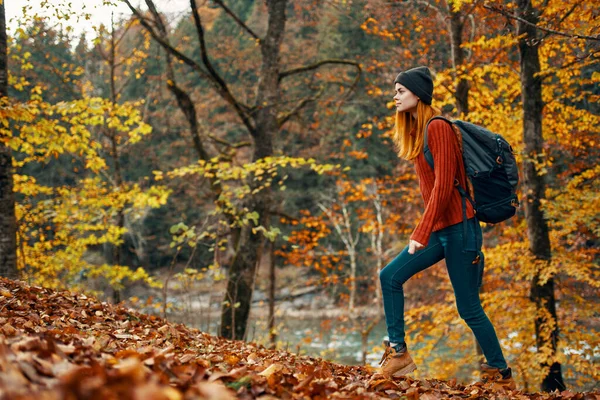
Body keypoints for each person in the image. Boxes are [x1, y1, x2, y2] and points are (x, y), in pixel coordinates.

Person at [376, 66, 516, 390]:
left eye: (400, 91)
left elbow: (444, 187)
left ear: (418, 94)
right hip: (442, 229)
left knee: (468, 308)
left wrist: (419, 233)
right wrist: (427, 229)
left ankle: (501, 375)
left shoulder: (437, 127)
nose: (394, 96)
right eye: (395, 91)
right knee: (390, 276)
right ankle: (398, 353)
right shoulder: (417, 131)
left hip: (461, 230)